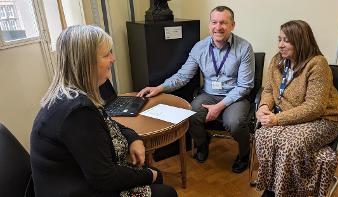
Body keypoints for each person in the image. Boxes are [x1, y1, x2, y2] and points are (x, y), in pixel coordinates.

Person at [30, 25, 177, 197]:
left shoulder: (69, 95)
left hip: (73, 180)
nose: (113, 58)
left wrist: (133, 138)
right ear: (87, 63)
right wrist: (150, 175)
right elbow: (104, 178)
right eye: (106, 54)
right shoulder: (77, 112)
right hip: (78, 189)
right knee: (165, 191)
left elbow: (107, 121)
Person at [137, 6, 254, 173]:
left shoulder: (244, 48)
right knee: (190, 116)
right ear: (209, 24)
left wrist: (219, 106)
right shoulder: (200, 48)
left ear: (232, 25)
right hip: (208, 95)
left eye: (223, 23)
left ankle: (244, 154)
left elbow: (245, 85)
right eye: (214, 22)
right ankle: (202, 143)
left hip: (235, 96)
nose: (218, 27)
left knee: (235, 123)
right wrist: (160, 88)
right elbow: (183, 76)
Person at [254, 20, 338, 197]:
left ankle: (287, 192)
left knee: (289, 145)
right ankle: (272, 187)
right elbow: (270, 89)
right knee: (263, 134)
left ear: (300, 41)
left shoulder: (317, 64)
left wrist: (277, 119)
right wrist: (264, 106)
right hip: (289, 116)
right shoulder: (278, 60)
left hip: (322, 120)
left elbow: (314, 107)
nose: (280, 45)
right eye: (279, 39)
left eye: (286, 40)